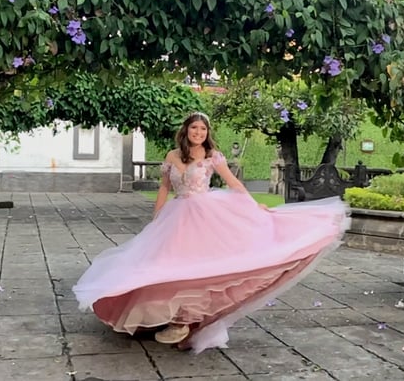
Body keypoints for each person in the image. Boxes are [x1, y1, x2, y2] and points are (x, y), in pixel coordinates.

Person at [72, 112, 350, 353]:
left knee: (203, 266)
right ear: (186, 131)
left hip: (206, 215)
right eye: (194, 128)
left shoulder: (212, 156)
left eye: (203, 129)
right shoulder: (171, 156)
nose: (198, 132)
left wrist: (255, 205)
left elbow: (233, 183)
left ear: (207, 133)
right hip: (177, 216)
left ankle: (188, 322)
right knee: (165, 264)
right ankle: (170, 318)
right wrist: (156, 218)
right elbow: (165, 188)